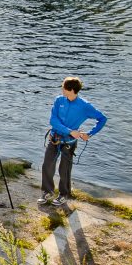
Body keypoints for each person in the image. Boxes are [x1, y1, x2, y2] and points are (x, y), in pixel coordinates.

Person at [38, 76, 107, 206]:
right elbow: (53, 120)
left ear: (71, 90)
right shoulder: (59, 100)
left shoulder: (85, 106)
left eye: (63, 87)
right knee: (47, 164)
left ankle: (63, 194)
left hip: (69, 143)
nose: (62, 89)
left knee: (64, 169)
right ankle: (47, 191)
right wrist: (70, 131)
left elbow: (102, 119)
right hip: (54, 138)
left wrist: (90, 134)